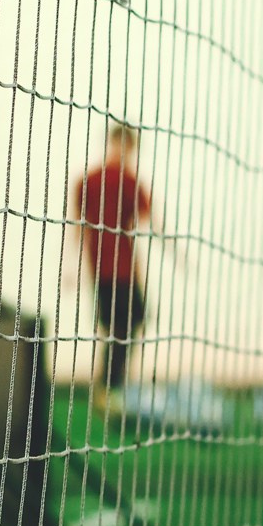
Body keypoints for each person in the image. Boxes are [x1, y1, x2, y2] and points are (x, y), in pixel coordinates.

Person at [70, 123, 153, 399]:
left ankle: (110, 387)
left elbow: (146, 221)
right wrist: (72, 265)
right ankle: (108, 389)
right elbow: (78, 225)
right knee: (120, 326)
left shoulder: (130, 181)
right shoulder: (91, 181)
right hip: (106, 269)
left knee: (127, 323)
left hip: (126, 268)